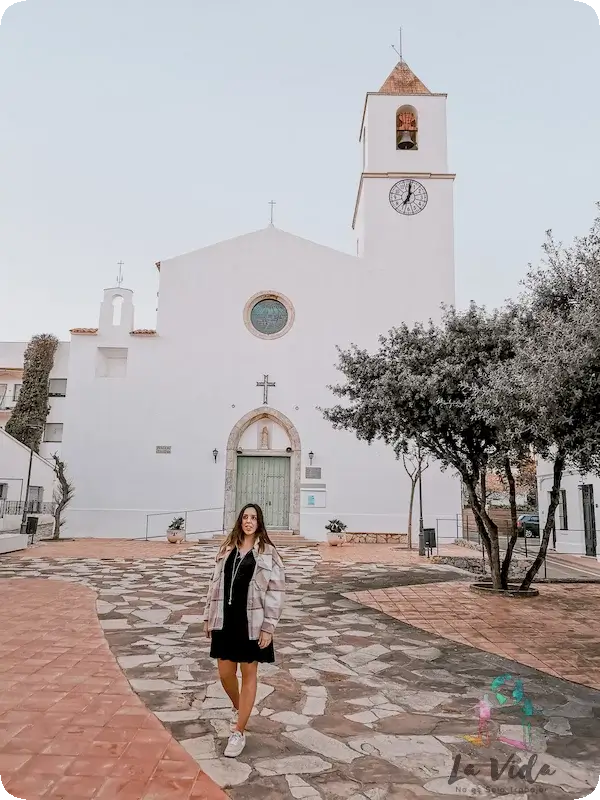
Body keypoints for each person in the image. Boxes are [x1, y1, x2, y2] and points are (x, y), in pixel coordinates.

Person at [203, 503, 285, 757]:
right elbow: (214, 584)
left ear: (259, 522)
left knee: (249, 675)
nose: (249, 521)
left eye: (253, 517)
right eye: (245, 517)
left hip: (253, 622)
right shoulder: (227, 549)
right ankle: (242, 709)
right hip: (225, 620)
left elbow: (276, 593)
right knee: (225, 673)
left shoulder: (269, 553)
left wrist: (268, 627)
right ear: (240, 521)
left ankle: (238, 731)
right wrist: (208, 616)